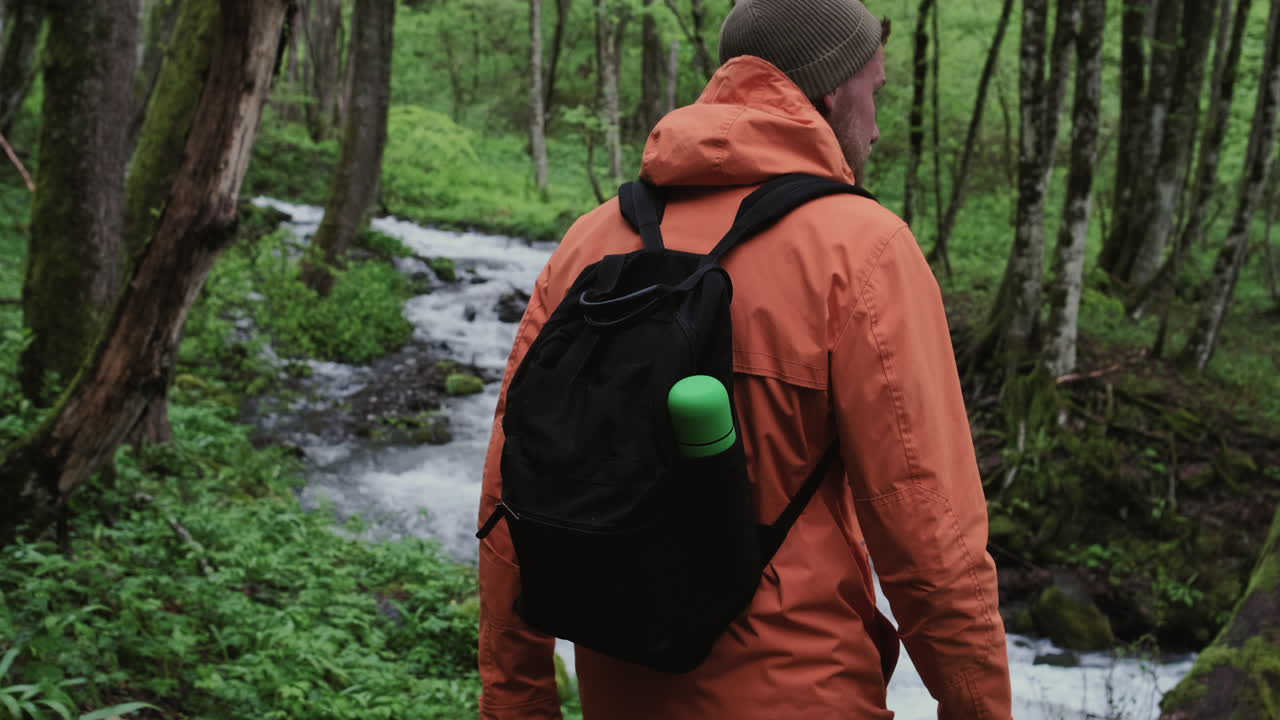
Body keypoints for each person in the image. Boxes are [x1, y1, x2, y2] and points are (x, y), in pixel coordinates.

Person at [476, 0, 1013, 717]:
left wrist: (517, 704)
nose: (878, 125)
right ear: (830, 91)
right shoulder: (862, 251)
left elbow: (506, 505)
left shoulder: (592, 240)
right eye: (874, 93)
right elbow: (931, 539)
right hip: (802, 691)